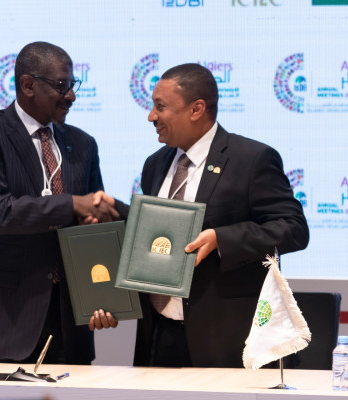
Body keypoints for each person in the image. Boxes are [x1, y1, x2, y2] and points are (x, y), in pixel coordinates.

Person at [0, 42, 122, 364]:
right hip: (5, 322)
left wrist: (105, 298)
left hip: (70, 325)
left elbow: (95, 231)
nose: (71, 96)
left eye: (72, 85)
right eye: (61, 86)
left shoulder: (83, 144)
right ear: (28, 85)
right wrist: (72, 205)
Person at [132, 63, 310, 368]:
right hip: (159, 335)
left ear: (196, 109)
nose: (151, 116)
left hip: (223, 335)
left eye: (160, 107)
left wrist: (222, 239)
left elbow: (293, 229)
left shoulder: (252, 159)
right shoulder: (155, 164)